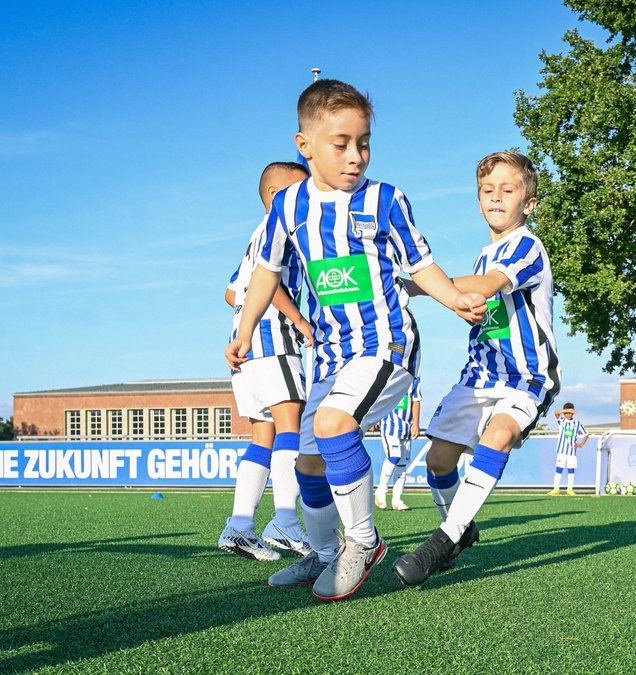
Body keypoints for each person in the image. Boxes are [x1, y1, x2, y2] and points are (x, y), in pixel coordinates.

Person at [227, 79, 486, 602]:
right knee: (307, 460)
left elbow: (422, 265)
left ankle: (363, 542)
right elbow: (265, 273)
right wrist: (247, 327)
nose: (355, 156)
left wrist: (454, 299)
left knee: (331, 424)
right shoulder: (289, 207)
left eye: (363, 142)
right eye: (340, 143)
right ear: (306, 146)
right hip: (330, 354)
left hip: (385, 344)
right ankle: (323, 554)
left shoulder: (386, 200)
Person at [393, 150, 559, 587]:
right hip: (480, 376)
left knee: (498, 435)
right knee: (438, 461)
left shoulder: (528, 246)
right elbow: (481, 301)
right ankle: (462, 527)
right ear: (478, 199)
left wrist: (413, 285)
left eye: (509, 190)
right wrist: (464, 309)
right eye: (488, 191)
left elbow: (488, 287)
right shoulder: (483, 256)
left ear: (530, 203)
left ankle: (443, 541)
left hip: (525, 377)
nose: (497, 198)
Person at [217, 162, 315, 561]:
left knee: (264, 434)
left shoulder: (256, 234)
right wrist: (300, 320)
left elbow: (230, 292)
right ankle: (286, 523)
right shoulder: (281, 230)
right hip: (274, 339)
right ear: (276, 196)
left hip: (245, 342)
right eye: (301, 191)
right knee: (291, 426)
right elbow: (268, 279)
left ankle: (240, 527)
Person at [374, 377, 422, 511]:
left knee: (402, 464)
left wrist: (416, 424)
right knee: (394, 456)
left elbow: (416, 399)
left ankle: (397, 500)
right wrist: (373, 419)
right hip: (389, 426)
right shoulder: (390, 374)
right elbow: (377, 398)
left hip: (406, 427)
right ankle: (381, 490)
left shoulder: (414, 377)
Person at [547, 402, 589, 496]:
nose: (568, 414)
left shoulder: (577, 423)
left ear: (573, 413)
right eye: (566, 413)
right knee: (559, 469)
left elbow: (586, 434)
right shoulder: (562, 421)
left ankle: (570, 489)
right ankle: (556, 489)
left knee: (571, 470)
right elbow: (556, 413)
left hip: (571, 452)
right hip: (561, 451)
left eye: (570, 412)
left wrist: (581, 445)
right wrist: (566, 410)